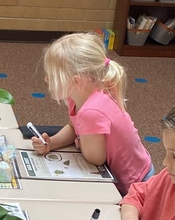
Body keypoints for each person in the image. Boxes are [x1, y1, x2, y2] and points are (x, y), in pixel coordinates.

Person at [30, 32, 153, 195]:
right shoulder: (79, 97)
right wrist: (51, 143)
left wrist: (81, 141)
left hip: (134, 184)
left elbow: (96, 158)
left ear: (76, 81)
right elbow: (73, 127)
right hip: (131, 172)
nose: (46, 79)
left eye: (52, 76)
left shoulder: (91, 112)